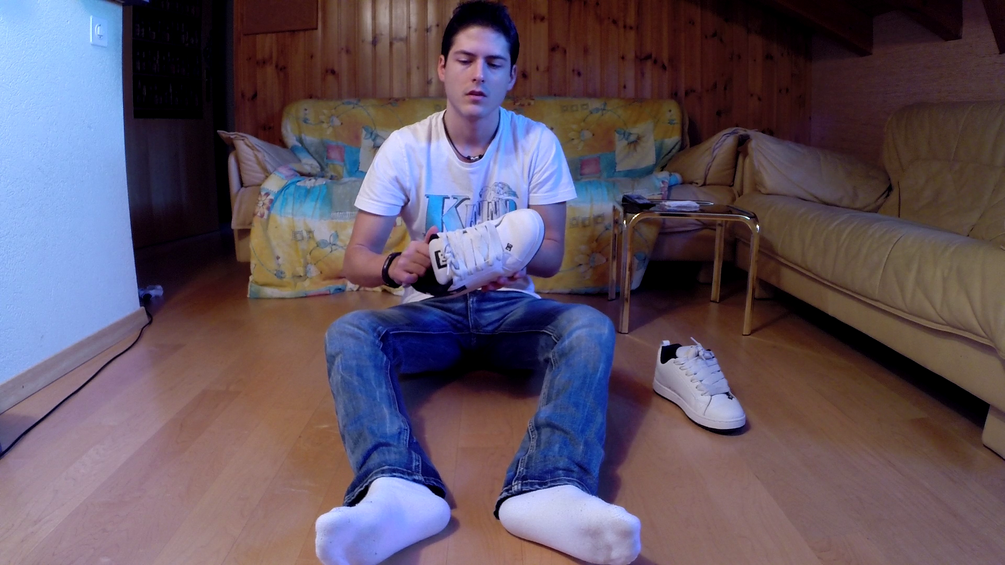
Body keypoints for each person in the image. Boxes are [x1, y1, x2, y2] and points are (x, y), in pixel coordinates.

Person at [314, 2, 642, 565]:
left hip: (512, 310)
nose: (478, 75)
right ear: (442, 67)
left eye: (493, 63)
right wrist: (396, 266)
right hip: (429, 314)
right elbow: (356, 260)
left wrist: (517, 259)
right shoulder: (405, 147)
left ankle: (550, 486)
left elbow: (552, 258)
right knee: (348, 333)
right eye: (465, 59)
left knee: (589, 327)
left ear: (512, 75)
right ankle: (396, 487)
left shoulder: (536, 142)